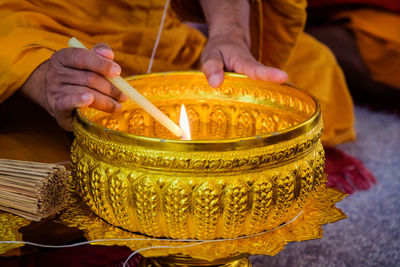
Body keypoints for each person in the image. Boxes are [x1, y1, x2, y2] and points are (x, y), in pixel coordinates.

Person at [0, 0, 355, 161]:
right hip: (33, 25)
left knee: (315, 72)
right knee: (53, 170)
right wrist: (43, 76)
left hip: (154, 29)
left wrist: (228, 33)